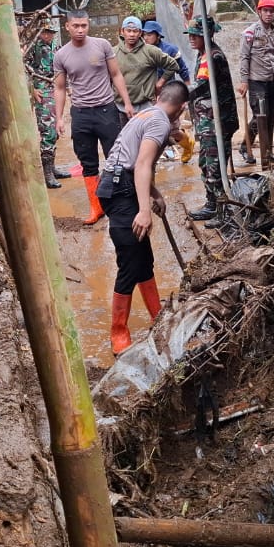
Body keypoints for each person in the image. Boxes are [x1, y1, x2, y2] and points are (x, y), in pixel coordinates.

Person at [96, 80, 188, 353]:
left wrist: (154, 194)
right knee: (129, 263)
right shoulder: (159, 122)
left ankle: (157, 317)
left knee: (143, 259)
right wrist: (144, 211)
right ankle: (118, 333)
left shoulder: (147, 113)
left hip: (117, 185)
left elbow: (135, 162)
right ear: (181, 108)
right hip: (120, 190)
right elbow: (141, 165)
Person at [53, 9, 135, 225]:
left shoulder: (102, 45)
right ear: (67, 27)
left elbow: (116, 74)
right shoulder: (61, 55)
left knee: (116, 157)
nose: (80, 30)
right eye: (76, 26)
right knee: (87, 162)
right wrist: (59, 117)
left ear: (88, 25)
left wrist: (126, 103)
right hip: (80, 113)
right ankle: (96, 207)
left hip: (106, 110)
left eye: (84, 25)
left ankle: (122, 202)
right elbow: (60, 88)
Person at [182, 17, 238, 223]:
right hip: (207, 122)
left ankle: (224, 212)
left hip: (217, 123)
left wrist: (177, 94)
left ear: (207, 34)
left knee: (216, 166)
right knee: (206, 163)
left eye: (196, 35)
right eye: (191, 35)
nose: (191, 39)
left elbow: (201, 85)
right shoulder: (203, 54)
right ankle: (212, 204)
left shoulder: (213, 57)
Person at [237, 0, 274, 169]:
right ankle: (245, 147)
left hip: (272, 82)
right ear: (259, 11)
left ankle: (268, 151)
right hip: (256, 83)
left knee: (271, 117)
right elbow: (243, 58)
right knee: (259, 117)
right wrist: (244, 81)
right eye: (266, 11)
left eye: (271, 11)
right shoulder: (250, 33)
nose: (269, 14)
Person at [23, 16, 69, 188]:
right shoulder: (33, 47)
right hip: (42, 89)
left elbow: (62, 68)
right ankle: (47, 173)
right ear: (39, 31)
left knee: (57, 129)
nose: (49, 35)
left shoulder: (55, 46)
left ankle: (52, 167)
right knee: (48, 129)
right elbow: (22, 68)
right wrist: (32, 89)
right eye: (46, 32)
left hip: (56, 87)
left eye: (51, 32)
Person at [115, 15, 181, 114]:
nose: (132, 34)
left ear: (140, 33)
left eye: (135, 31)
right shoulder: (113, 53)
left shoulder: (150, 51)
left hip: (145, 106)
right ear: (122, 31)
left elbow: (173, 65)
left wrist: (160, 83)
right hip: (120, 106)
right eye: (129, 31)